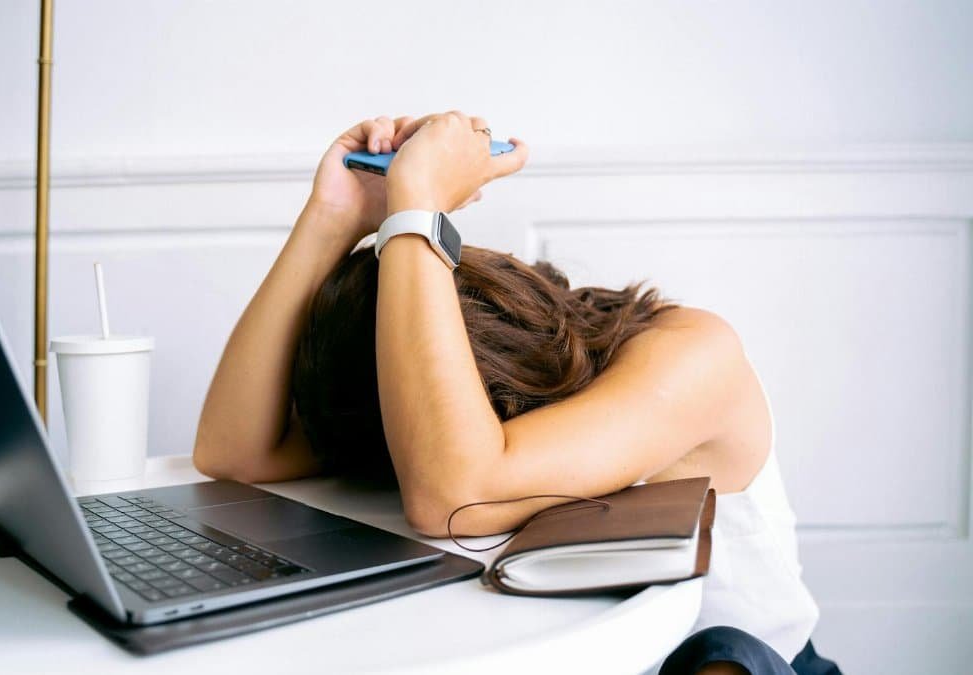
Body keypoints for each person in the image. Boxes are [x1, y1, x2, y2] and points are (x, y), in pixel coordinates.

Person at [192, 112, 840, 675]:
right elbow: (234, 451)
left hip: (754, 663)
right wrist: (336, 216)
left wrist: (419, 204)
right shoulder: (430, 424)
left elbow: (457, 495)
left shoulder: (694, 352)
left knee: (721, 653)